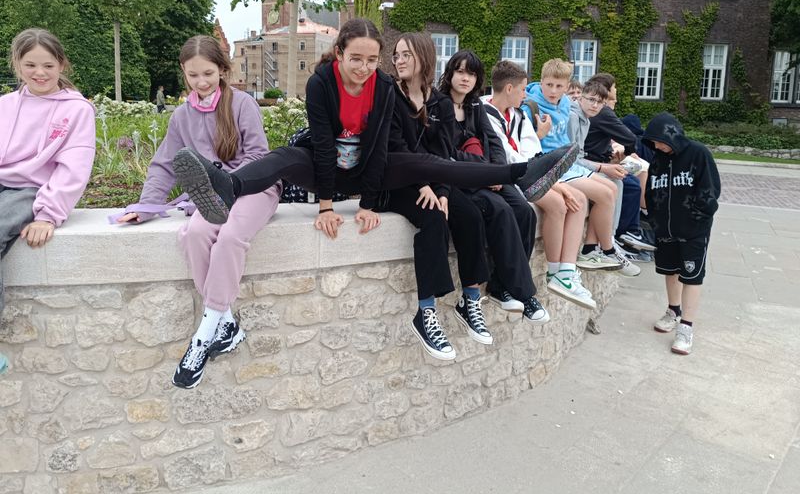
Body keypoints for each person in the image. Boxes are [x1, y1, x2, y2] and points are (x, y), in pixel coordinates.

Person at [172, 19, 578, 237]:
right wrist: (326, 207)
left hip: (369, 170)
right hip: (325, 170)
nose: (364, 67)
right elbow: (324, 147)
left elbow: (381, 148)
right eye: (356, 59)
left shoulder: (383, 87)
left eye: (371, 60)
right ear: (339, 54)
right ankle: (228, 188)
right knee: (284, 156)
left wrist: (366, 204)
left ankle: (521, 174)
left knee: (427, 163)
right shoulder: (321, 83)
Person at [117, 35, 281, 389]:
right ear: (184, 73)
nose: (201, 82)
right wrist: (145, 207)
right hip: (212, 198)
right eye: (193, 75)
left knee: (230, 238)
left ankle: (203, 336)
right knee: (193, 234)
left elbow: (258, 156)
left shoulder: (242, 104)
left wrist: (225, 181)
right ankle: (226, 323)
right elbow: (164, 165)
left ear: (222, 70)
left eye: (208, 73)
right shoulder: (182, 116)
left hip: (254, 188)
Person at [385, 34, 493, 360]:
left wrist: (443, 191)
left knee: (469, 214)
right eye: (396, 55)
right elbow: (396, 149)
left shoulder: (441, 104)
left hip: (434, 179)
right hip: (399, 182)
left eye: (406, 54)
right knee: (433, 219)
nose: (399, 60)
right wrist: (424, 186)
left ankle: (469, 299)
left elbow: (444, 152)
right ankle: (426, 312)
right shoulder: (390, 95)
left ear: (423, 57)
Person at [0, 28, 96, 375]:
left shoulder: (77, 110)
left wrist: (47, 215)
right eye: (30, 65)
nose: (39, 73)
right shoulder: (5, 105)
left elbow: (73, 169)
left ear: (61, 65)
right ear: (17, 65)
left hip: (31, 189)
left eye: (48, 66)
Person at [438, 51, 550, 323]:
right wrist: (483, 171)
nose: (465, 78)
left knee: (524, 212)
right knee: (500, 211)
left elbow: (494, 142)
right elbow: (446, 151)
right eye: (460, 71)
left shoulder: (475, 106)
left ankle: (501, 287)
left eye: (471, 73)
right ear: (450, 74)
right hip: (463, 177)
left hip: (489, 173)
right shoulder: (439, 106)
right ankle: (525, 293)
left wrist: (498, 171)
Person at [483, 61, 595, 310]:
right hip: (508, 176)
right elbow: (508, 156)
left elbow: (531, 150)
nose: (526, 95)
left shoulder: (519, 115)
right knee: (556, 204)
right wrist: (556, 186)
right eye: (524, 89)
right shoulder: (484, 113)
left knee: (577, 199)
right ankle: (550, 273)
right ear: (509, 89)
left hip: (525, 173)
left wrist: (553, 181)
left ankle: (565, 271)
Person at [523, 59, 627, 274]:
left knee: (612, 188)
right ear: (541, 81)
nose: (553, 91)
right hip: (549, 166)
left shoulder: (563, 104)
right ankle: (606, 250)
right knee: (602, 195)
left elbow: (566, 141)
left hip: (567, 162)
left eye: (559, 86)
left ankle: (591, 248)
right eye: (549, 85)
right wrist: (539, 134)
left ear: (567, 86)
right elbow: (525, 146)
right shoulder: (531, 106)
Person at [643, 112, 720, 355]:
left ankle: (686, 326)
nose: (656, 146)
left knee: (692, 276)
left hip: (694, 231)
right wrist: (655, 220)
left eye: (659, 141)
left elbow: (710, 190)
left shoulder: (699, 153)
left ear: (672, 135)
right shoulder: (658, 159)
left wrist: (697, 217)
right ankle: (673, 310)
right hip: (665, 231)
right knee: (670, 271)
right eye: (653, 142)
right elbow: (652, 192)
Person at [568, 79, 641, 277]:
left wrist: (607, 164)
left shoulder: (585, 118)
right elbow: (570, 159)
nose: (594, 105)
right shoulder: (574, 117)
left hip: (576, 166)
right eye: (591, 100)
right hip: (564, 170)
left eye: (599, 102)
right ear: (581, 98)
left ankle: (593, 246)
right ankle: (608, 248)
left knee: (615, 183)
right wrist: (602, 167)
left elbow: (577, 156)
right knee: (609, 188)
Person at [582, 73, 652, 255]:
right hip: (590, 163)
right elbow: (629, 138)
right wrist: (626, 153)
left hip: (596, 160)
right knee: (627, 184)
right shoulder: (601, 111)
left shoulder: (597, 110)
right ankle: (619, 236)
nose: (616, 90)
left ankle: (607, 241)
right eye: (614, 87)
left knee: (627, 179)